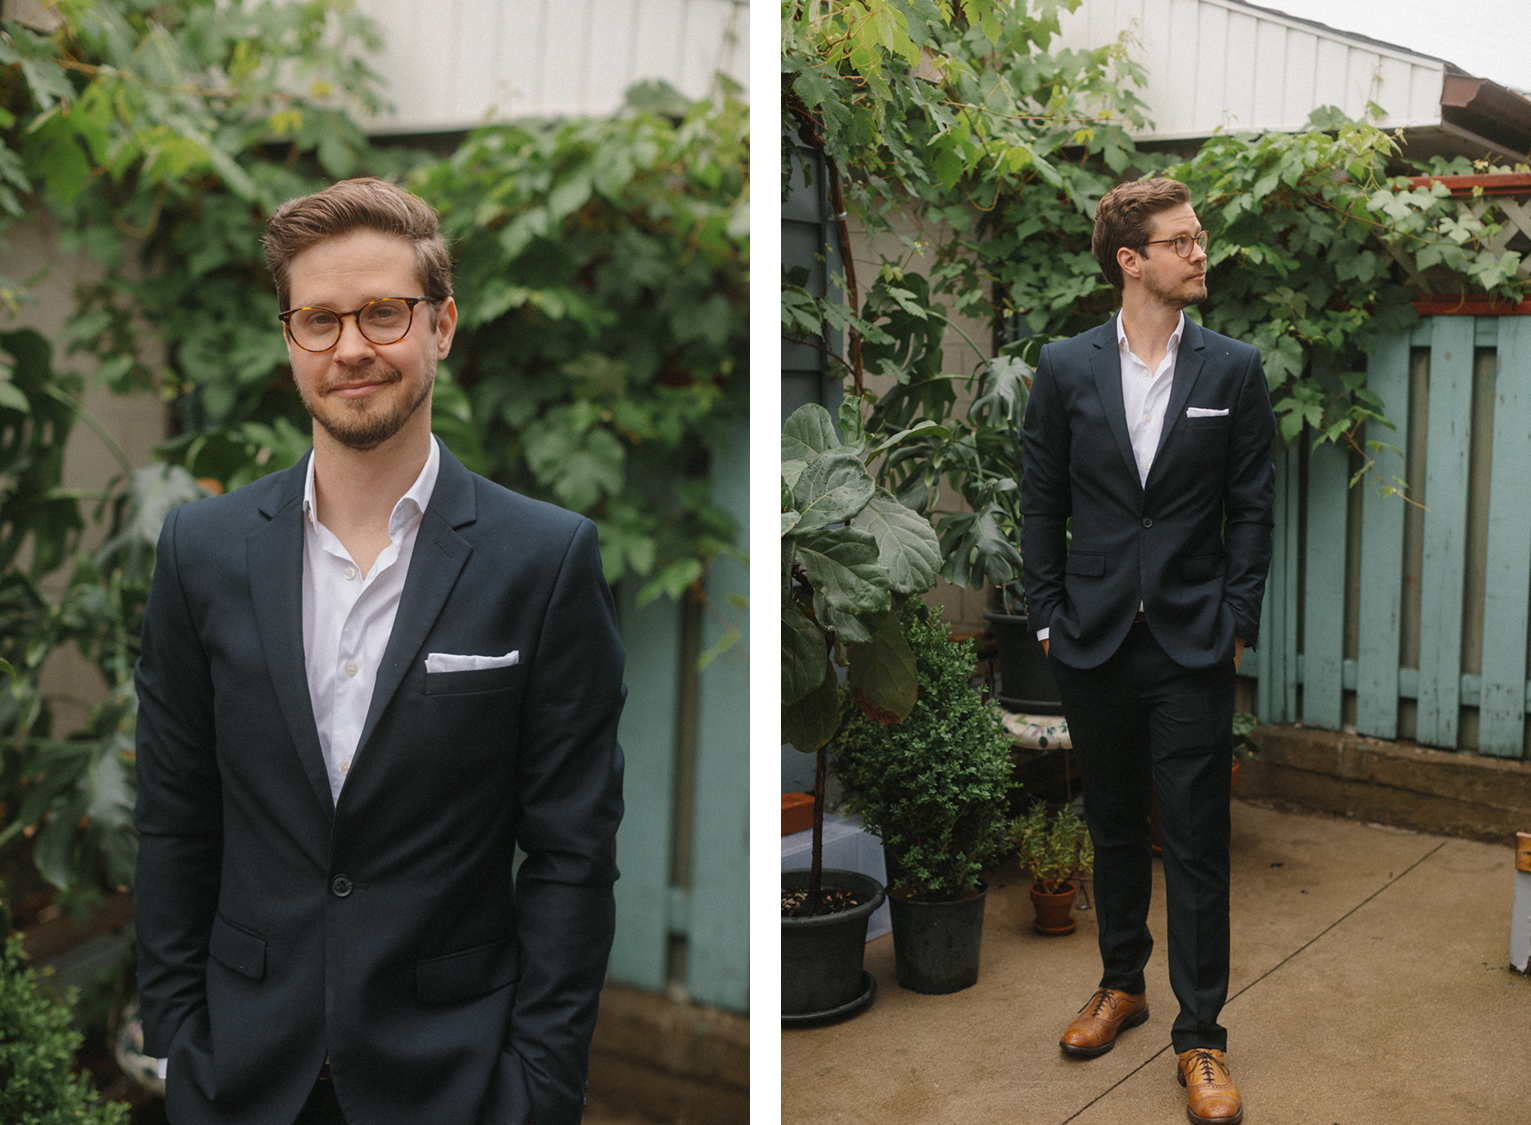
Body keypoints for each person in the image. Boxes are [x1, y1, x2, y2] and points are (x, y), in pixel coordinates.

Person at [133, 177, 626, 1125]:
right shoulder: (200, 551)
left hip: (455, 1078)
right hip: (240, 1073)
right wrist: (177, 1039)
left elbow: (571, 852)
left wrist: (540, 1085)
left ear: (441, 325)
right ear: (289, 339)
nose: (350, 346)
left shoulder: (546, 558)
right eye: (318, 319)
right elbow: (174, 814)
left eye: (382, 313)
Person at [1019, 178, 1275, 1125]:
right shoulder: (1064, 367)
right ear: (1131, 261)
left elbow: (1251, 505)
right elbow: (1041, 500)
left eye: (1199, 238)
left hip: (1189, 641)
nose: (1198, 253)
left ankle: (1200, 1037)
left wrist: (1234, 616)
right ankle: (1119, 983)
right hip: (1089, 640)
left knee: (1196, 841)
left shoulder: (1232, 370)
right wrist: (1046, 614)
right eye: (1180, 242)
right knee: (1113, 824)